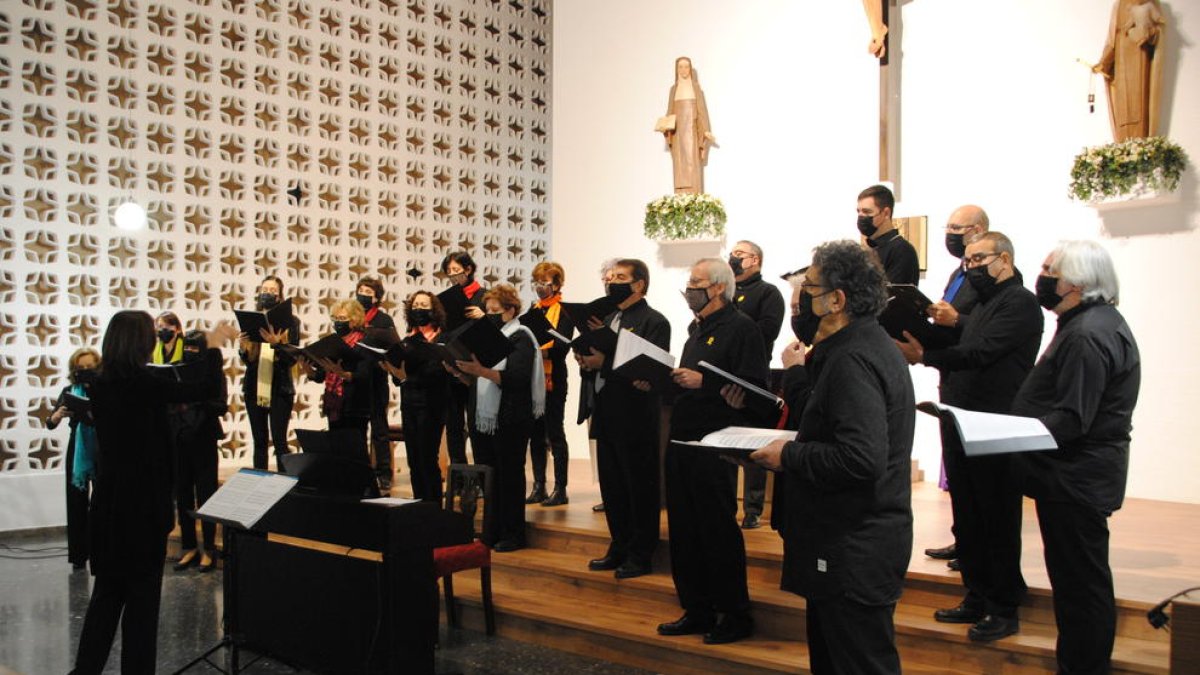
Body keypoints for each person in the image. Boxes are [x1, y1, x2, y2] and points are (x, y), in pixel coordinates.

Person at [751, 241, 915, 674]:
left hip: (854, 545)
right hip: (847, 539)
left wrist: (789, 456)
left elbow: (861, 458)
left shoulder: (853, 358)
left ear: (837, 300)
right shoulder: (861, 346)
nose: (801, 298)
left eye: (809, 288)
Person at [894, 232, 1043, 642]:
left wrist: (925, 356)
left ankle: (1004, 606)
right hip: (961, 417)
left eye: (980, 259)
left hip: (996, 424)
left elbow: (982, 352)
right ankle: (976, 594)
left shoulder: (1020, 303)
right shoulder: (985, 302)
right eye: (968, 261)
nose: (971, 267)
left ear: (1005, 260)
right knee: (969, 513)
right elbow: (963, 340)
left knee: (996, 516)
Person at [71, 311, 232, 674]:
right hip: (142, 507)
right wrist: (211, 347)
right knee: (142, 607)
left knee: (105, 599)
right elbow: (202, 388)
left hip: (109, 505)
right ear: (140, 342)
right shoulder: (145, 385)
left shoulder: (101, 383)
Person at [1012, 240, 1141, 674]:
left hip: (1075, 479)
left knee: (1080, 587)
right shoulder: (1091, 323)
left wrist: (1006, 436)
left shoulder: (1087, 333)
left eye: (1052, 270)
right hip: (1073, 478)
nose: (1043, 277)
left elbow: (1072, 418)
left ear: (1079, 282)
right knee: (1076, 583)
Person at [657, 258, 769, 645]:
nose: (689, 289)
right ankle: (696, 608)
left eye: (696, 282)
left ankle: (734, 613)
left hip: (716, 443)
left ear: (718, 287)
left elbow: (754, 388)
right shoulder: (696, 329)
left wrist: (703, 382)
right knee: (684, 529)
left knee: (717, 529)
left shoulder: (743, 329)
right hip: (682, 439)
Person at [579, 259, 670, 580]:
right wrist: (585, 361)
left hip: (636, 415)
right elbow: (597, 358)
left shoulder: (654, 321)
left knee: (639, 486)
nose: (611, 282)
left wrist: (604, 362)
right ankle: (618, 545)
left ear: (639, 284)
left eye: (620, 277)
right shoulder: (607, 318)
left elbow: (650, 369)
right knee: (613, 486)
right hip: (606, 411)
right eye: (609, 278)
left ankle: (641, 553)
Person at [451, 284, 545, 552]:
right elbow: (479, 380)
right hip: (484, 418)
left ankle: (513, 533)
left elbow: (516, 378)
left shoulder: (520, 336)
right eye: (487, 310)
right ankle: (490, 531)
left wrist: (480, 371)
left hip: (510, 417)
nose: (490, 315)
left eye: (495, 311)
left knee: (509, 475)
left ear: (511, 310)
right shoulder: (488, 337)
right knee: (488, 476)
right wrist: (459, 371)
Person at [923, 205, 990, 568]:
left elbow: (986, 326)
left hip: (975, 384)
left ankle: (977, 546)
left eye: (957, 227)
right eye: (948, 227)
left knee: (976, 474)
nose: (950, 234)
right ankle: (963, 538)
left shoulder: (990, 280)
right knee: (956, 467)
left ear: (978, 229)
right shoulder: (957, 272)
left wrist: (957, 319)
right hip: (950, 377)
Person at [728, 240, 785, 530]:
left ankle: (753, 508)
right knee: (723, 441)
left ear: (755, 260)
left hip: (753, 373)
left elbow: (767, 331)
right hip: (725, 373)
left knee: (752, 440)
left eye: (739, 254)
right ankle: (725, 503)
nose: (733, 257)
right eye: (732, 253)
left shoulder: (769, 293)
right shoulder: (725, 292)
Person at [380, 291, 452, 502]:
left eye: (424, 305)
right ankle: (418, 503)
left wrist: (407, 377)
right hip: (409, 404)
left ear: (434, 310)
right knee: (413, 459)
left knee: (427, 457)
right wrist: (394, 372)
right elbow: (400, 377)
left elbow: (439, 374)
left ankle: (433, 506)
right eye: (415, 305)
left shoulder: (443, 338)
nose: (419, 309)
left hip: (432, 405)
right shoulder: (408, 340)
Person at [170, 330, 228, 573]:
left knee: (207, 495)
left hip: (203, 438)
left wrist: (197, 401)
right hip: (180, 439)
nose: (190, 351)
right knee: (183, 495)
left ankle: (209, 549)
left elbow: (221, 406)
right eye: (187, 347)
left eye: (195, 348)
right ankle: (189, 547)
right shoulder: (175, 370)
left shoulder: (213, 375)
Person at [298, 299, 376, 456]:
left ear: (354, 320)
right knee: (336, 449)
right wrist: (307, 368)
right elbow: (320, 375)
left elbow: (366, 376)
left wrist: (344, 374)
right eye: (335, 318)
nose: (338, 323)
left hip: (355, 405)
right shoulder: (332, 342)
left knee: (355, 451)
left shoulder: (364, 342)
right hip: (335, 403)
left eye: (342, 318)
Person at [238, 275, 300, 471]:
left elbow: (292, 358)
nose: (267, 293)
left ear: (280, 295)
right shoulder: (253, 319)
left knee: (280, 441)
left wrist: (277, 344)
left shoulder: (291, 322)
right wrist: (243, 348)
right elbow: (249, 361)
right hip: (254, 386)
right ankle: (259, 482)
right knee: (259, 441)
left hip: (280, 387)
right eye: (264, 290)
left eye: (273, 290)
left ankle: (284, 484)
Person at [47, 347, 101, 571]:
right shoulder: (69, 390)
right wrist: (57, 416)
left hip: (101, 448)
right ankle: (78, 555)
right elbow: (50, 423)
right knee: (76, 501)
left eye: (90, 367)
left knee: (100, 502)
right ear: (74, 370)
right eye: (81, 368)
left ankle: (100, 551)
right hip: (78, 449)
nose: (86, 371)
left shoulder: (105, 389)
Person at [525, 262, 573, 507]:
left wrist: (538, 351)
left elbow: (562, 347)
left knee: (555, 432)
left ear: (556, 285)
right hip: (533, 377)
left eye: (544, 283)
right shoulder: (533, 309)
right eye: (536, 282)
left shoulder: (565, 311)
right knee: (535, 435)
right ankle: (539, 486)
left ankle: (561, 488)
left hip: (554, 378)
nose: (539, 287)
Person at [1095, 0, 1165, 141]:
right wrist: (1104, 62)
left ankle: (1139, 142)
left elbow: (1158, 30)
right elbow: (1112, 39)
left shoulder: (1149, 3)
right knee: (1123, 105)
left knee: (1138, 102)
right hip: (1121, 57)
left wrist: (1147, 33)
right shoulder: (1119, 4)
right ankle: (1124, 144)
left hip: (1139, 55)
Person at [441, 251, 488, 465]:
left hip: (477, 366)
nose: (452, 275)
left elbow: (497, 330)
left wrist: (484, 316)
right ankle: (458, 473)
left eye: (456, 270)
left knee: (476, 424)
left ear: (468, 269)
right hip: (454, 366)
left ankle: (480, 473)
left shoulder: (485, 296)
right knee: (453, 425)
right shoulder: (447, 298)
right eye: (449, 271)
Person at [356, 275, 397, 489]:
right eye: (360, 291)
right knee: (358, 430)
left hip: (377, 379)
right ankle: (361, 471)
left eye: (368, 293)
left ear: (376, 298)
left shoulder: (383, 320)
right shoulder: (352, 316)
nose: (363, 295)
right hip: (355, 380)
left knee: (379, 429)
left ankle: (384, 473)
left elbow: (393, 347)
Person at [661, 56, 714, 194]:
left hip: (691, 132)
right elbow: (670, 111)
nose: (683, 70)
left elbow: (701, 111)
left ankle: (694, 195)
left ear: (690, 69)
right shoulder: (673, 90)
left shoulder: (696, 89)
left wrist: (706, 130)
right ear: (676, 69)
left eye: (686, 66)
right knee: (679, 166)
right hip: (678, 134)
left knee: (692, 165)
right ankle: (681, 197)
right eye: (680, 67)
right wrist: (665, 126)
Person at [856, 184, 919, 285]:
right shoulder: (868, 249)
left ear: (886, 213)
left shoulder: (902, 250)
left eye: (867, 212)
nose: (861, 217)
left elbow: (892, 292)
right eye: (858, 212)